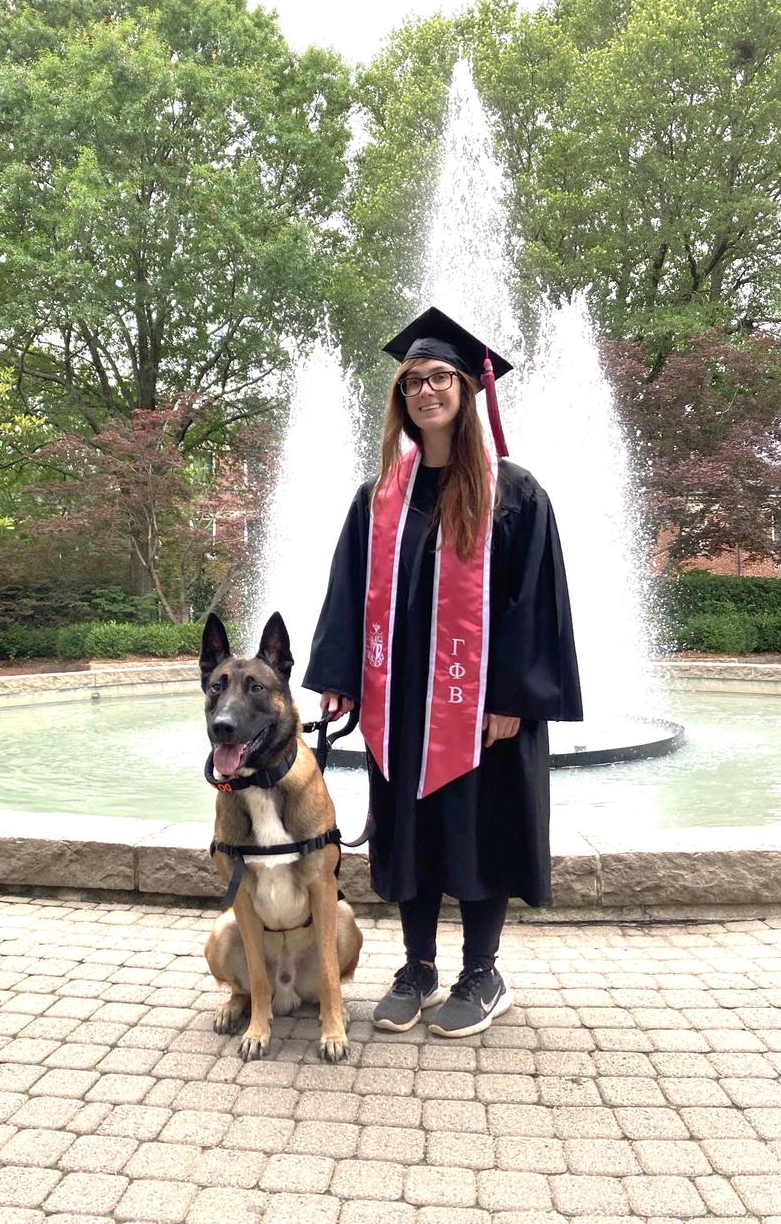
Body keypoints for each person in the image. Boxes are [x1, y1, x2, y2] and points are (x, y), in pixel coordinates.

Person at [303, 306, 582, 1038]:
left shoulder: (512, 492)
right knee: (412, 832)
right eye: (412, 381)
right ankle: (418, 967)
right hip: (400, 702)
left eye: (439, 378)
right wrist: (340, 675)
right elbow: (348, 588)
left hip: (481, 704)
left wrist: (515, 695)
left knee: (480, 831)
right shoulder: (379, 496)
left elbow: (535, 601)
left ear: (467, 387)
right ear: (400, 397)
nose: (425, 391)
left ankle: (482, 973)